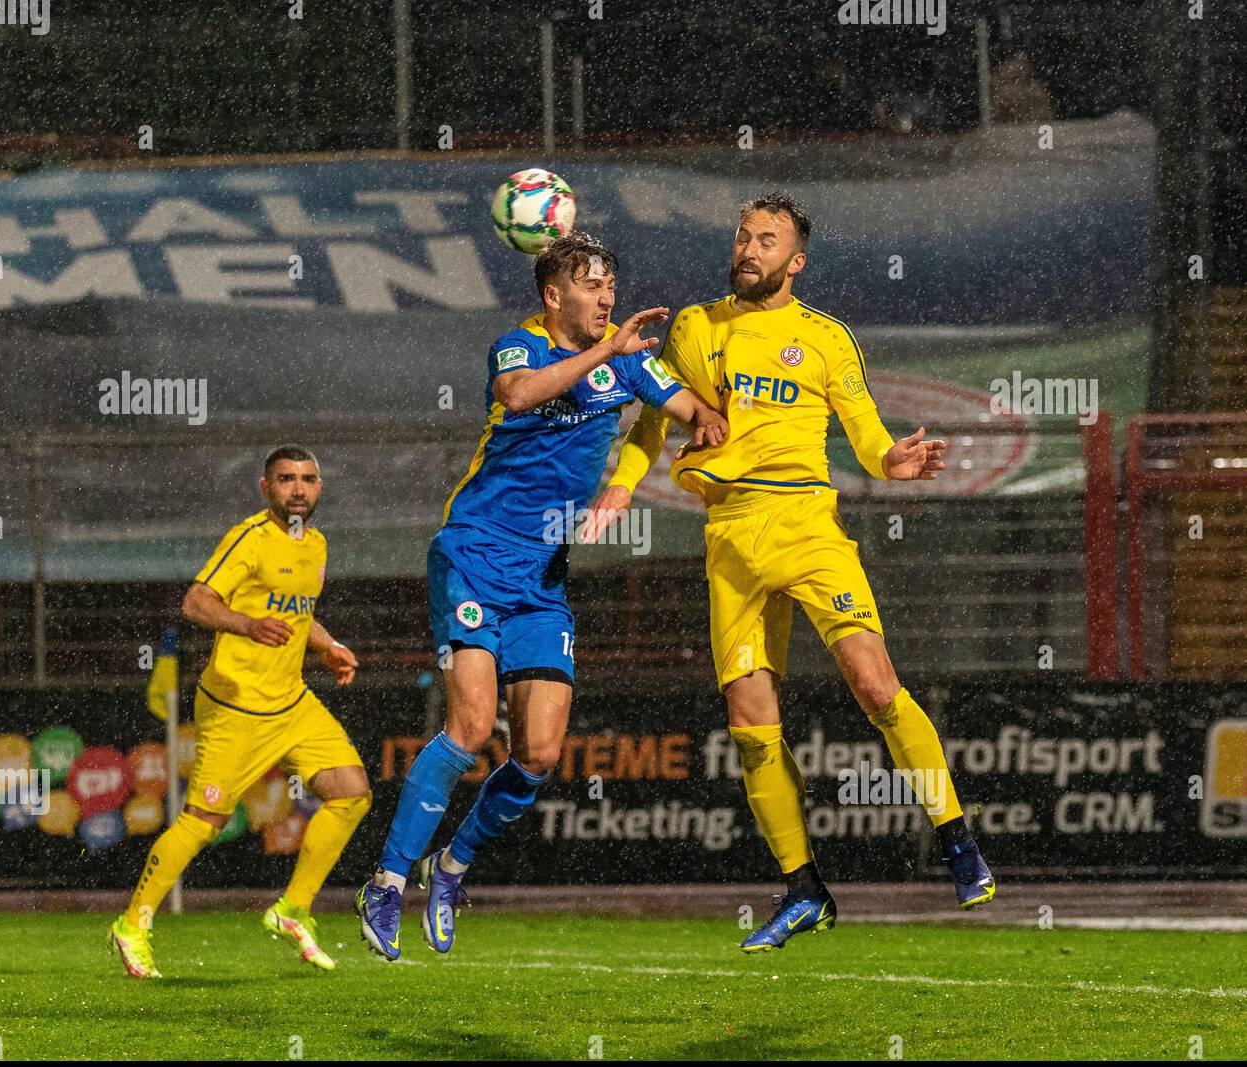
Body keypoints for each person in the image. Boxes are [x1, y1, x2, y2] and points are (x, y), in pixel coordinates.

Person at [587, 193, 995, 952]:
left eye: (767, 240)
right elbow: (651, 415)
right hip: (730, 534)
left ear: (795, 261)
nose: (749, 248)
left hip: (807, 524)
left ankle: (954, 839)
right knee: (749, 723)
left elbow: (869, 436)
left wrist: (892, 462)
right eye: (743, 235)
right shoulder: (695, 326)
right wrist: (620, 481)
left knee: (875, 685)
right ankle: (803, 888)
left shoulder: (825, 339)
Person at [355, 232, 727, 961]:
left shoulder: (629, 363)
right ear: (555, 296)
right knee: (467, 729)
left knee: (540, 753)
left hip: (543, 577)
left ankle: (451, 868)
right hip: (473, 554)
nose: (608, 298)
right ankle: (387, 882)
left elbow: (697, 414)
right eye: (593, 286)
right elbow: (519, 396)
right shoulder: (520, 347)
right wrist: (607, 354)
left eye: (611, 285)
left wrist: (695, 437)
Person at [109, 446, 370, 977]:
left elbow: (296, 613)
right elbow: (197, 601)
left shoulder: (316, 545)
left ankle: (294, 908)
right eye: (286, 479)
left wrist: (326, 645)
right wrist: (244, 624)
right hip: (236, 707)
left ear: (319, 488)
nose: (299, 489)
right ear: (265, 488)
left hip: (291, 701)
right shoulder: (249, 538)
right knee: (204, 821)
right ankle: (132, 925)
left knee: (351, 791)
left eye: (309, 480)